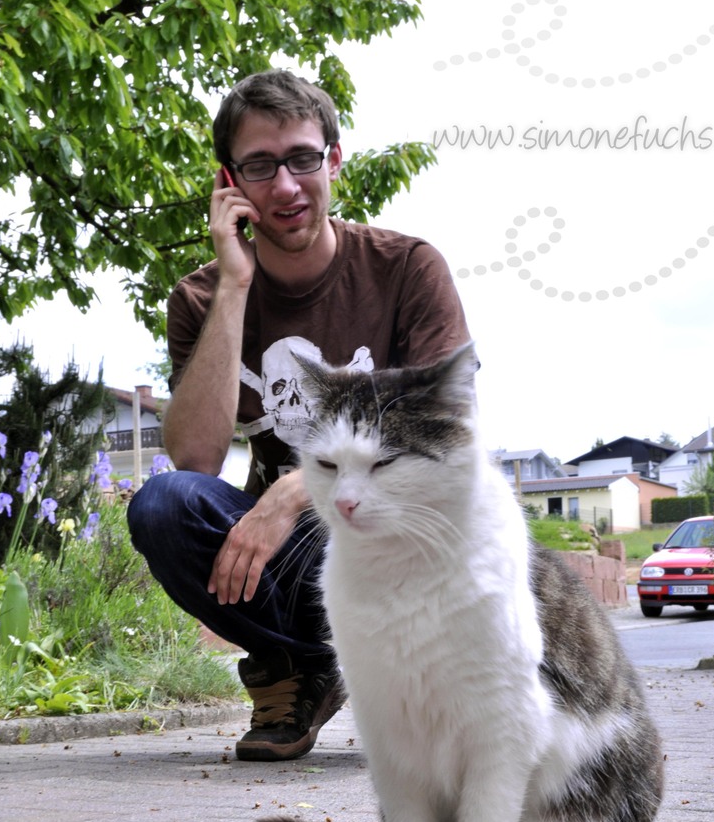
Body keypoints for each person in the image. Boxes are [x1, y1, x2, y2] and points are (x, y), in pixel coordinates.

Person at [127, 69, 470, 762]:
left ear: (333, 160)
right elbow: (195, 459)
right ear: (230, 183)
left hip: (397, 539)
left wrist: (292, 492)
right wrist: (235, 285)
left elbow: (449, 433)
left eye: (302, 159)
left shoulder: (407, 269)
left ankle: (398, 675)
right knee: (164, 505)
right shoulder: (200, 298)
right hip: (293, 561)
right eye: (259, 166)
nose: (285, 187)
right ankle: (309, 664)